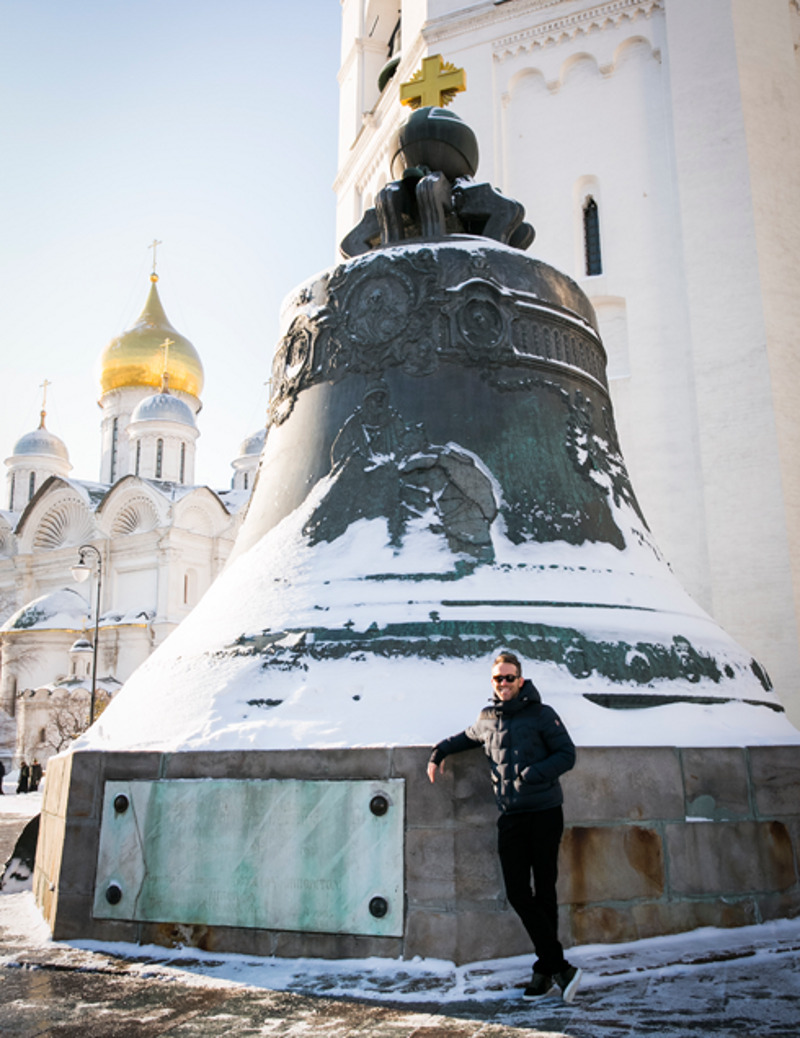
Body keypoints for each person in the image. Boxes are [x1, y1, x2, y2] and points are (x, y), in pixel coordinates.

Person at [427, 651, 582, 1002]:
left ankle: (544, 972)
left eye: (509, 677)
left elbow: (567, 754)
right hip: (510, 817)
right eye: (498, 678)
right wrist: (438, 753)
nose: (504, 684)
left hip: (544, 812)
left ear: (521, 680)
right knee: (517, 891)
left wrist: (532, 774)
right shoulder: (487, 718)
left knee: (545, 891)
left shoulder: (543, 715)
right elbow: (464, 738)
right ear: (492, 683)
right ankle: (559, 966)